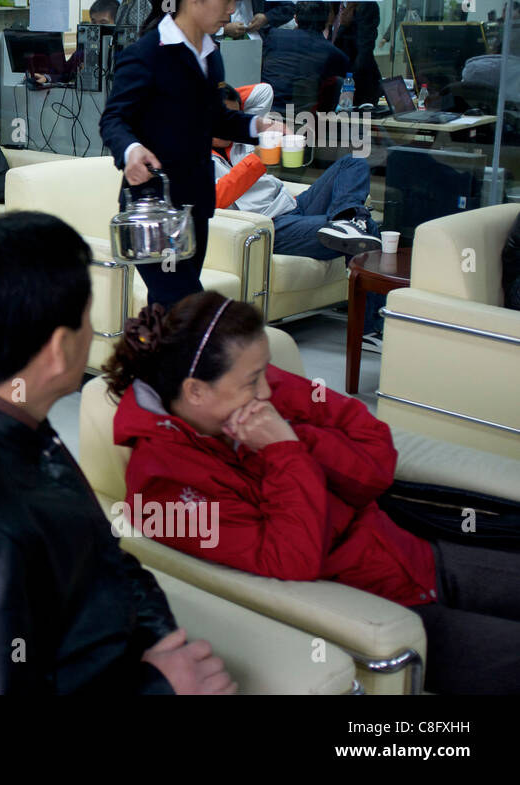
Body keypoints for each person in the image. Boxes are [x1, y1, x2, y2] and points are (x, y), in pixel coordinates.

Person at [0, 212, 238, 695]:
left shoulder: (7, 418)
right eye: (89, 318)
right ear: (58, 348)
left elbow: (104, 556)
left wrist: (163, 644)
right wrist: (160, 685)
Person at [105, 292, 520, 695]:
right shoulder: (162, 488)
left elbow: (375, 462)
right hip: (383, 607)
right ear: (196, 391)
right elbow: (293, 557)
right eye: (253, 380)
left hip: (413, 553)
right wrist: (283, 452)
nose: (269, 390)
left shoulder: (254, 386)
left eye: (265, 371)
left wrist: (296, 437)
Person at [100, 0, 283, 309]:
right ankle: (187, 363)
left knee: (168, 308)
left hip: (195, 204)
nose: (232, 10)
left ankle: (150, 362)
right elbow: (113, 119)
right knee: (185, 304)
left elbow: (214, 119)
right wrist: (131, 150)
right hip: (153, 206)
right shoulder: (148, 53)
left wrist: (260, 127)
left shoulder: (210, 54)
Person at [211, 82, 380, 259]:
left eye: (231, 117)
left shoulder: (242, 134)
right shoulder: (195, 158)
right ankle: (348, 226)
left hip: (294, 205)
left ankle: (347, 219)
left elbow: (263, 91)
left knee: (353, 162)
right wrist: (256, 160)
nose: (225, 127)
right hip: (269, 223)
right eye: (219, 119)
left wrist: (225, 108)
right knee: (367, 227)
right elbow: (215, 198)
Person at [260, 1, 350, 115]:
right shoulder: (331, 51)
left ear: (295, 18)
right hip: (301, 116)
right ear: (327, 20)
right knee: (338, 82)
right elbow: (347, 73)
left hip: (266, 110)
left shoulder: (273, 36)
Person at [326, 0, 381, 107]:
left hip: (358, 84)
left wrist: (348, 83)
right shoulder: (335, 5)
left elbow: (364, 50)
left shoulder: (366, 5)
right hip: (335, 82)